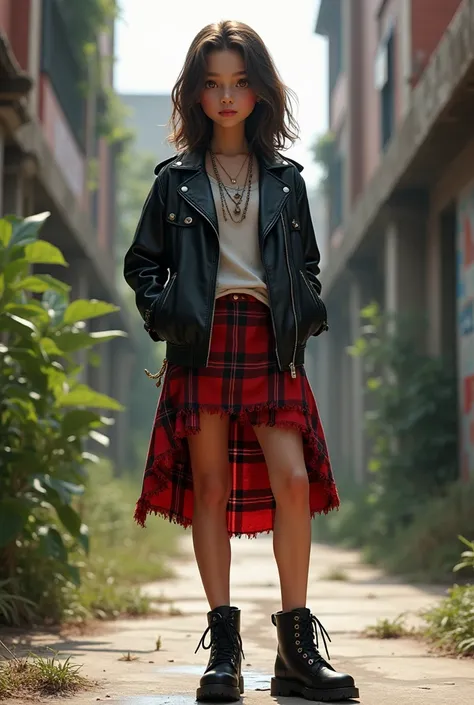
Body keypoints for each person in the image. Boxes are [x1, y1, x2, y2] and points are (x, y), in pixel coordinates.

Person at [123, 19, 358, 704]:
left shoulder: (286, 180)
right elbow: (143, 264)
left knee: (291, 477)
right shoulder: (174, 182)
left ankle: (295, 645)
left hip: (268, 338)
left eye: (240, 82)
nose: (227, 96)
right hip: (200, 340)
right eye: (213, 84)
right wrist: (168, 311)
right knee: (210, 487)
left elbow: (306, 261)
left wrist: (304, 307)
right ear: (196, 95)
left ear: (259, 91)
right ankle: (223, 650)